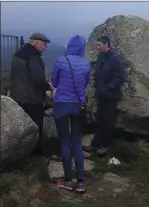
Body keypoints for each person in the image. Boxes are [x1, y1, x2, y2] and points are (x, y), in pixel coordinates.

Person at [51, 35, 90, 192]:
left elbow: (54, 82)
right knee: (77, 142)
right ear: (82, 48)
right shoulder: (86, 63)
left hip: (61, 105)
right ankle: (81, 182)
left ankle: (68, 180)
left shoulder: (60, 61)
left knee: (65, 141)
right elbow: (85, 84)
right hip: (77, 106)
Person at [10, 32, 54, 152]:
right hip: (32, 100)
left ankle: (23, 152)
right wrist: (48, 87)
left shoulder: (17, 55)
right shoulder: (34, 57)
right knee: (36, 128)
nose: (46, 48)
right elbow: (38, 81)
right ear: (36, 43)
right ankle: (36, 154)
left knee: (23, 129)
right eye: (44, 44)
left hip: (18, 97)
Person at [84, 35, 125, 156]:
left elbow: (120, 77)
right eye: (97, 45)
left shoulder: (115, 59)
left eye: (99, 45)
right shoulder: (101, 56)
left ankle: (105, 145)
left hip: (111, 96)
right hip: (101, 94)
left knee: (108, 120)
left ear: (106, 44)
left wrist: (108, 87)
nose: (97, 47)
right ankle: (96, 144)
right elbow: (98, 73)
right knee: (100, 119)